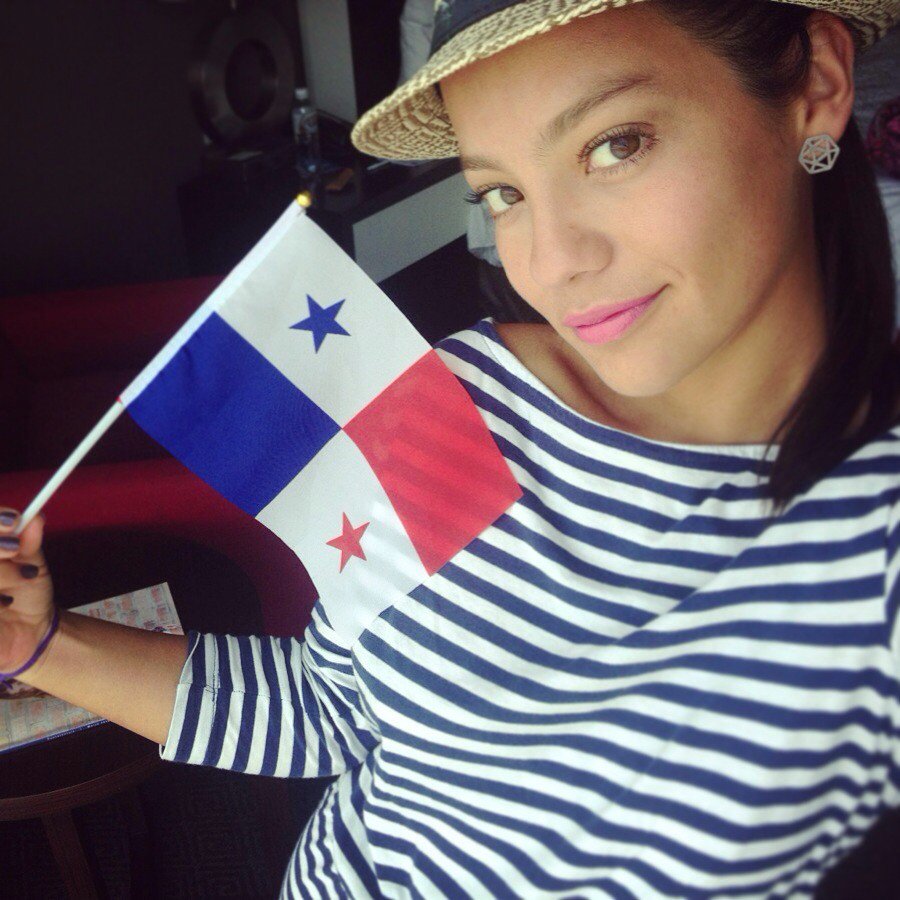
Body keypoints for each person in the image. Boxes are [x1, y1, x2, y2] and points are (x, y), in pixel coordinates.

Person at [3, 0, 900, 897]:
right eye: (502, 193)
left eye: (615, 145)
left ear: (816, 83)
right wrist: (41, 646)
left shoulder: (869, 546)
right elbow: (331, 710)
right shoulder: (463, 401)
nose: (552, 261)